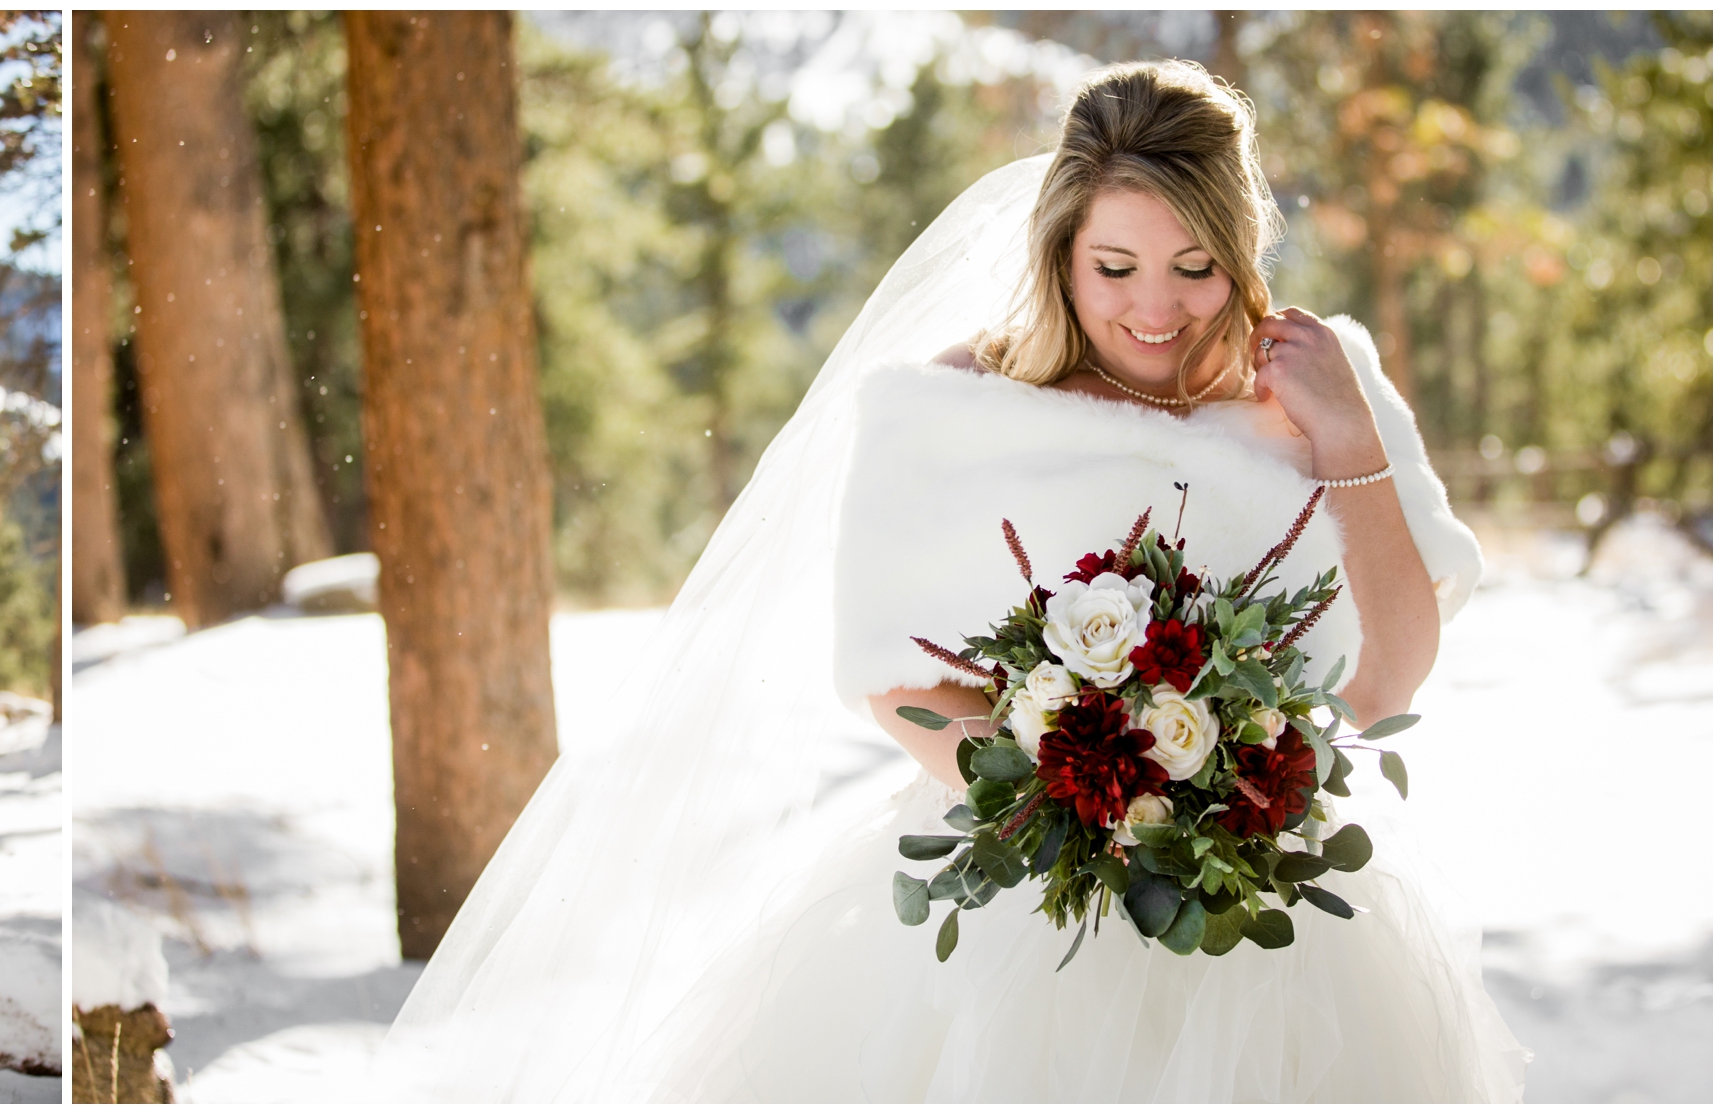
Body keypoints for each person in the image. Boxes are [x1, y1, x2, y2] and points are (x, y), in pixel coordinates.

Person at [376, 61, 1528, 1101]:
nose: (1156, 308)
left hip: (1274, 901)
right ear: (1060, 250)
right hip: (1027, 888)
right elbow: (897, 675)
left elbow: (1389, 679)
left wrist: (1348, 443)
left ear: (1242, 248)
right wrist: (1082, 814)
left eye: (1196, 267)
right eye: (1114, 266)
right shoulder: (960, 404)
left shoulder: (1326, 382)